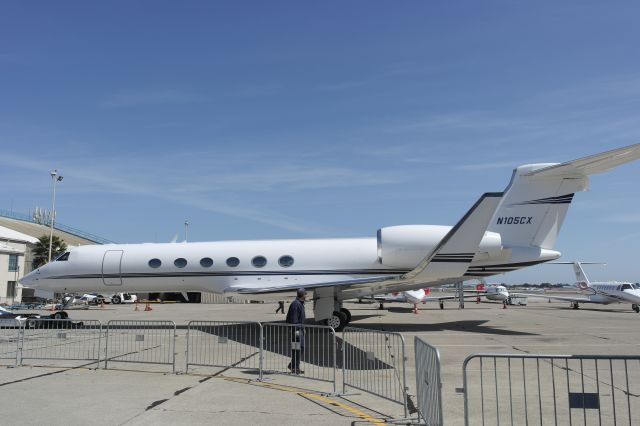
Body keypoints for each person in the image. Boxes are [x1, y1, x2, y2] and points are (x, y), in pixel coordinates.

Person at [285, 288, 306, 374]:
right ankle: (294, 367)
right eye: (305, 294)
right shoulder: (296, 304)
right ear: (303, 295)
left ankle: (294, 366)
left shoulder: (300, 303)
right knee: (297, 349)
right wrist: (297, 330)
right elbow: (294, 320)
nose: (306, 295)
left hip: (299, 330)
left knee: (299, 348)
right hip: (296, 331)